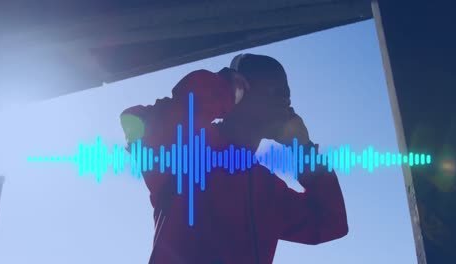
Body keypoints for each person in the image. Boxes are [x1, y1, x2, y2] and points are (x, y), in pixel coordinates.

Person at [122, 54, 348, 264]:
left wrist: (304, 150)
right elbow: (137, 121)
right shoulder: (189, 147)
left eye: (287, 92)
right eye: (275, 89)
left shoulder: (266, 189)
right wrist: (222, 89)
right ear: (241, 90)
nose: (286, 99)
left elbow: (330, 222)